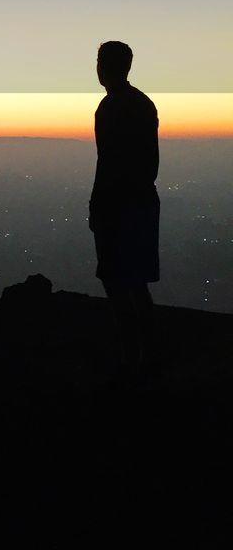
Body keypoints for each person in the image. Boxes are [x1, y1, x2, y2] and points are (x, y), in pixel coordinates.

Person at [89, 40, 160, 382]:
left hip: (119, 206)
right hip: (141, 201)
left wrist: (98, 206)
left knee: (117, 284)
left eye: (100, 61)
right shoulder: (142, 104)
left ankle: (131, 358)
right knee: (135, 284)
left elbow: (108, 164)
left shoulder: (112, 107)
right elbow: (148, 164)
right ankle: (146, 354)